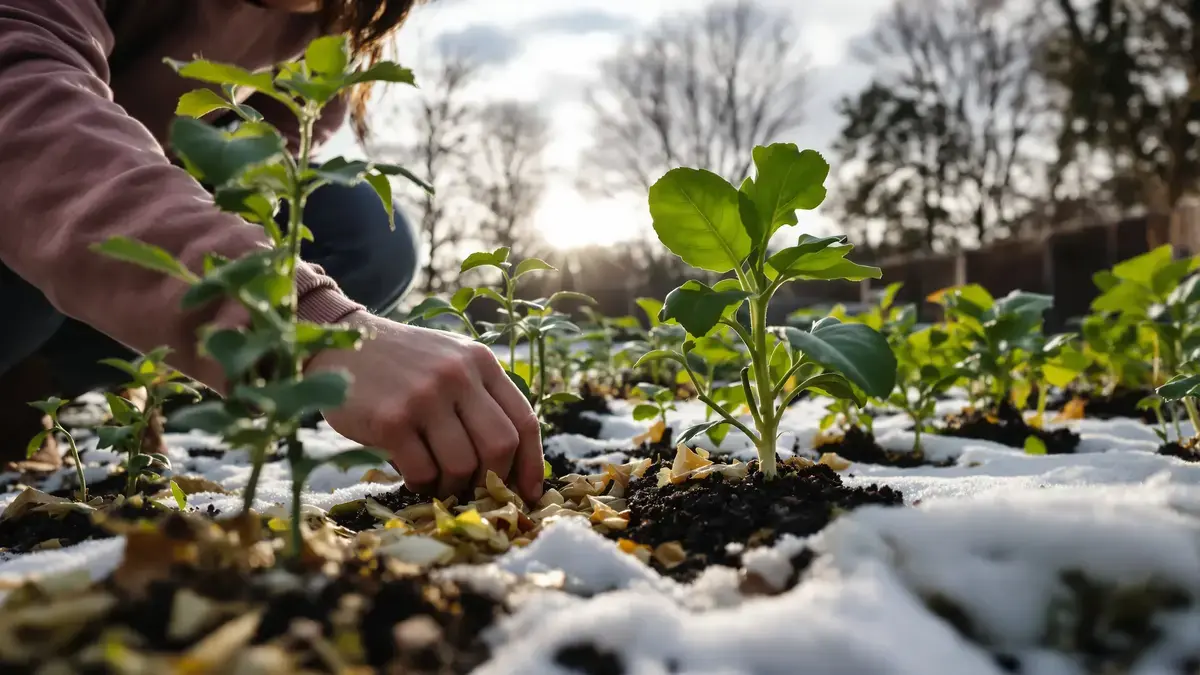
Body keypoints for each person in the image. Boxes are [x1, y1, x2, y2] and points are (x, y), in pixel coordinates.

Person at [0, 0, 544, 502]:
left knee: (366, 234)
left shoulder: (330, 27)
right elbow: (21, 112)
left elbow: (249, 191)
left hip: (107, 234)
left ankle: (35, 390)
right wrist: (304, 324)